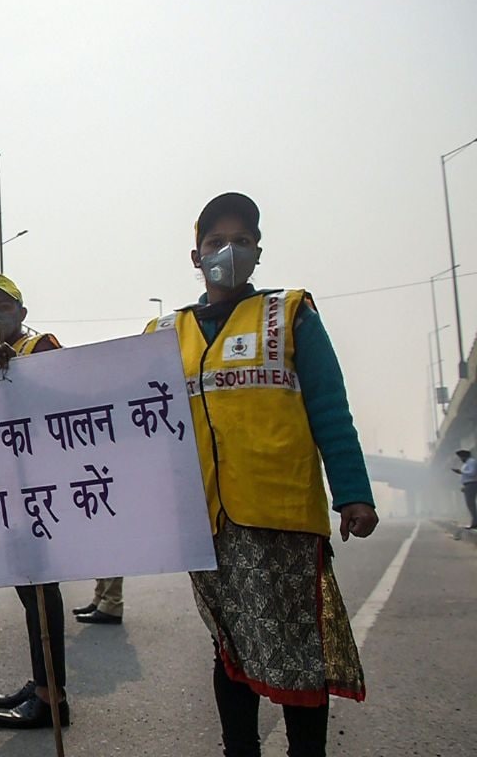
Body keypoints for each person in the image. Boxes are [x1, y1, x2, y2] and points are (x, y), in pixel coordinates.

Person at [148, 193, 378, 757]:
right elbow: (111, 405)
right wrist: (16, 375)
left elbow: (329, 405)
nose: (228, 250)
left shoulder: (290, 313)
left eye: (242, 240)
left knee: (299, 655)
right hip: (208, 522)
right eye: (214, 241)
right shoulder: (163, 332)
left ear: (257, 253)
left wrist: (352, 493)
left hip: (283, 516)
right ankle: (239, 751)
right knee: (230, 649)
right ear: (195, 257)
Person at [0, 275, 69, 730]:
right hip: (13, 489)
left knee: (41, 593)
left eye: (1, 306)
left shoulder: (40, 346)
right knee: (29, 595)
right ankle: (40, 684)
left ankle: (52, 700)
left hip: (40, 492)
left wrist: (16, 366)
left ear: (22, 313)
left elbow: (63, 395)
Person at [453, 449, 477, 529]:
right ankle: (474, 521)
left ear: (464, 456)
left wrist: (461, 472)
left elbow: (473, 472)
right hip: (468, 485)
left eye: (461, 457)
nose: (460, 459)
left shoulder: (471, 461)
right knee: (470, 504)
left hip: (472, 484)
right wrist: (464, 486)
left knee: (471, 504)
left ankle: (475, 522)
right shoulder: (466, 463)